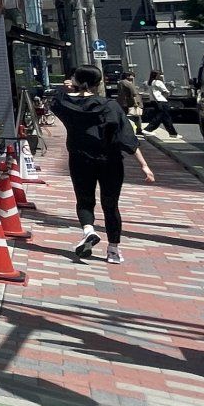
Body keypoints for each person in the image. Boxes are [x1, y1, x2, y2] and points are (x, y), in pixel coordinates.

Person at [49, 66, 154, 263]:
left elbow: (54, 101)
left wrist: (67, 89)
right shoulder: (110, 106)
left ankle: (88, 230)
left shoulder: (67, 104)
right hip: (110, 160)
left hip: (80, 159)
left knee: (84, 200)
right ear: (99, 83)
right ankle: (113, 250)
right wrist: (144, 165)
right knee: (110, 205)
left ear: (76, 81)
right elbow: (126, 137)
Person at [141, 69, 180, 138]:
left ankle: (173, 133)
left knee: (165, 118)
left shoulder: (150, 82)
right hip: (161, 101)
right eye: (160, 74)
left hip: (154, 101)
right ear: (157, 75)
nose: (162, 76)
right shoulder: (158, 82)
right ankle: (148, 129)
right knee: (160, 116)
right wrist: (168, 93)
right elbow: (166, 91)